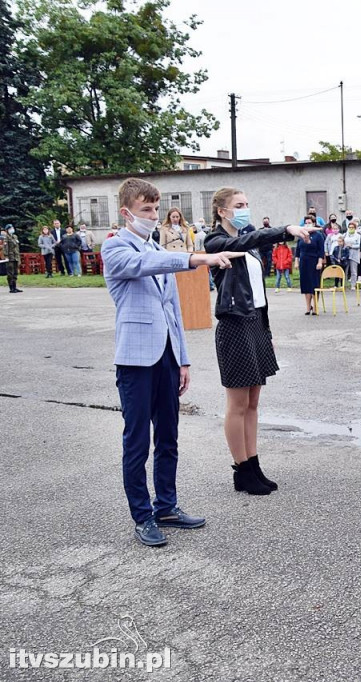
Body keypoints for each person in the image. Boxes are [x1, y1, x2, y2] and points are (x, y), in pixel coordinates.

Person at [102, 177, 240, 546]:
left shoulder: (153, 246)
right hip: (135, 359)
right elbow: (145, 264)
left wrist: (182, 359)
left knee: (168, 437)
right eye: (146, 209)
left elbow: (172, 309)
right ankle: (142, 515)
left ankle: (167, 505)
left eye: (155, 208)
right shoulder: (116, 248)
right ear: (126, 212)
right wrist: (197, 258)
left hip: (165, 356)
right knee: (136, 441)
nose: (153, 215)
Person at [204, 187, 318, 495]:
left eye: (247, 204)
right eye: (238, 205)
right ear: (222, 211)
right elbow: (243, 242)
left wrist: (266, 331)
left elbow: (257, 291)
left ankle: (253, 464)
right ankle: (241, 470)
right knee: (237, 403)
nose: (244, 209)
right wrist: (284, 231)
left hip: (255, 323)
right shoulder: (216, 242)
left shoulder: (247, 239)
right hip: (234, 325)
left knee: (253, 402)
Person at [295, 215, 325, 314]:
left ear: (313, 223)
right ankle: (308, 307)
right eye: (306, 223)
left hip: (314, 261)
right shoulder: (301, 235)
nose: (307, 224)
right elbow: (298, 250)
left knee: (314, 284)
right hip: (304, 261)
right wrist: (296, 261)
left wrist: (320, 262)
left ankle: (316, 307)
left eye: (309, 223)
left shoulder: (318, 235)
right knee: (306, 284)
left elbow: (321, 250)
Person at [3, 225, 22, 293]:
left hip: (16, 256)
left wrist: (18, 257)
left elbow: (17, 248)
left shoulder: (15, 236)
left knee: (15, 272)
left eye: (12, 228)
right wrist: (6, 256)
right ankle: (11, 288)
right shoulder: (6, 237)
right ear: (7, 230)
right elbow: (5, 248)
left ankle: (15, 287)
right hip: (10, 257)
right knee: (10, 273)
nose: (12, 229)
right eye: (10, 228)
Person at [342, 221, 361, 289]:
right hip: (346, 254)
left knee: (353, 271)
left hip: (354, 254)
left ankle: (353, 285)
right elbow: (342, 242)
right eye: (350, 227)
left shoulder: (358, 236)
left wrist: (352, 246)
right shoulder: (345, 235)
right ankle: (343, 284)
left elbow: (359, 245)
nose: (351, 228)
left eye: (352, 227)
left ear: (355, 228)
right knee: (345, 271)